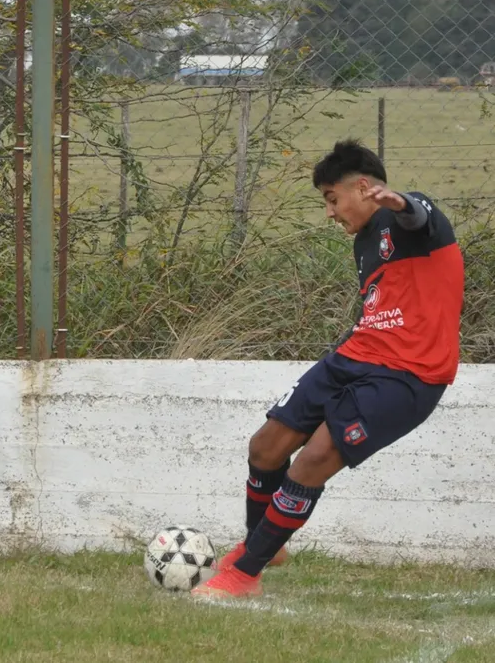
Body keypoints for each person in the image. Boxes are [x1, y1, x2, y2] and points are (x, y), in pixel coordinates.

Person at [192, 139, 464, 598]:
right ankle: (267, 545)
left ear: (363, 188)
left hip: (409, 375)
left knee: (314, 460)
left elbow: (415, 212)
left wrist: (398, 201)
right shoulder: (363, 242)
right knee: (265, 446)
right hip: (356, 355)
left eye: (331, 199)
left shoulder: (416, 222)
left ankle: (244, 573)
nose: (330, 212)